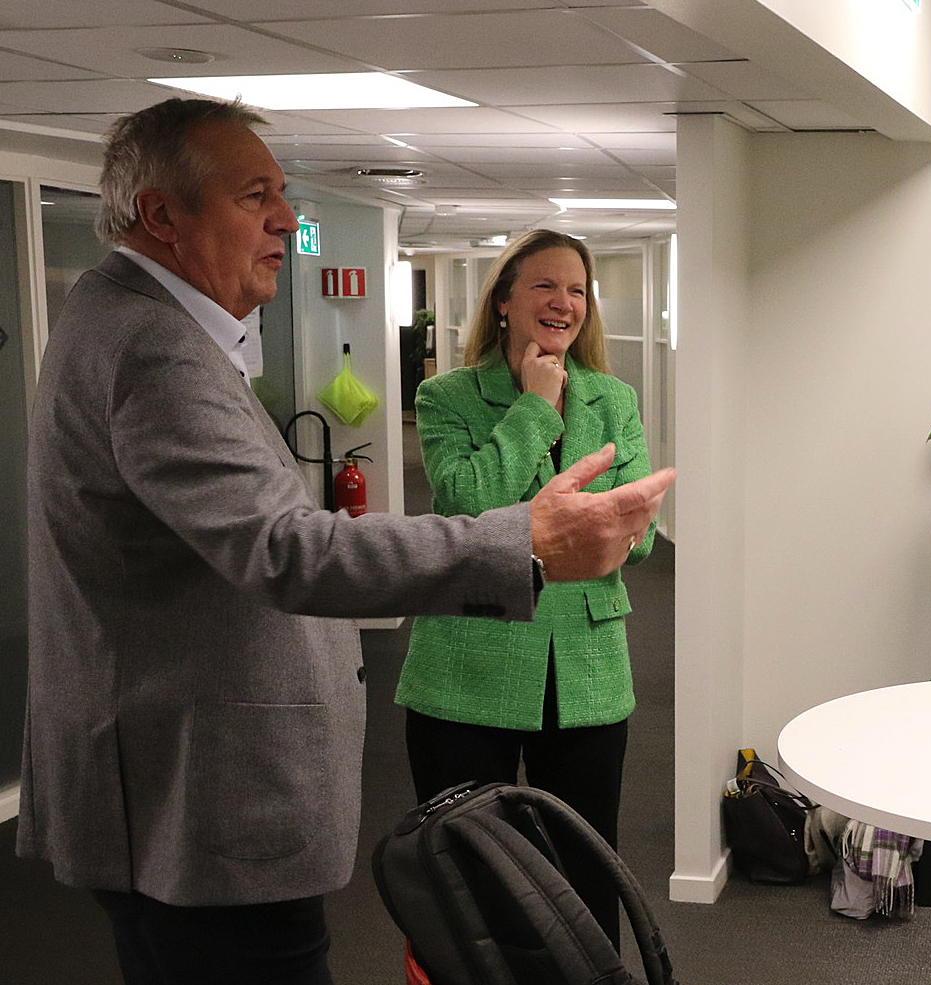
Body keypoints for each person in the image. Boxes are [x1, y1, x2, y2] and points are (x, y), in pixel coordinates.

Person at [19, 97, 675, 985]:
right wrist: (526, 531)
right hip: (198, 795)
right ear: (162, 214)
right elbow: (287, 548)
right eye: (257, 196)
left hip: (195, 783)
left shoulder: (145, 329)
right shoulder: (155, 347)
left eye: (281, 194)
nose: (287, 219)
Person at [394, 230, 654, 947]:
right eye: (545, 285)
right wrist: (536, 408)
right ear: (505, 301)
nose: (563, 302)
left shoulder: (612, 399)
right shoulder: (446, 396)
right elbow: (463, 507)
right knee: (467, 871)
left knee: (584, 871)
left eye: (576, 289)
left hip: (586, 666)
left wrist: (613, 531)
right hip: (467, 661)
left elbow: (643, 531)